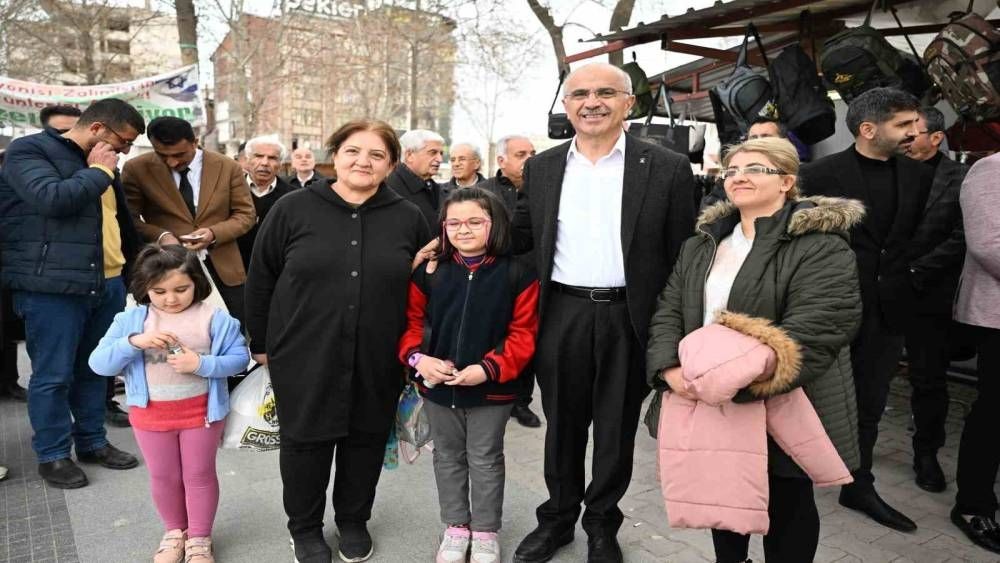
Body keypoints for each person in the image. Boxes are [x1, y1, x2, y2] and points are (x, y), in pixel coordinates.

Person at [510, 62, 695, 563]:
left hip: (628, 318)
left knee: (616, 431)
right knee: (562, 426)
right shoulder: (543, 168)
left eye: (605, 93)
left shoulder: (667, 168)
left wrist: (677, 335)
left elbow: (683, 257)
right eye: (579, 94)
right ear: (566, 106)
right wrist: (449, 245)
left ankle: (601, 526)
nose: (591, 102)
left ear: (628, 103)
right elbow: (522, 241)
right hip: (562, 314)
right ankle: (557, 520)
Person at [646, 137, 862, 563]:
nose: (739, 176)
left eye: (755, 168)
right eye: (731, 170)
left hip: (781, 398)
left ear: (787, 181)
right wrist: (669, 370)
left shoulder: (819, 243)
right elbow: (670, 309)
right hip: (702, 393)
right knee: (723, 501)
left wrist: (731, 381)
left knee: (788, 503)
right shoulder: (703, 243)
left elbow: (821, 324)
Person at [244, 120, 431, 563]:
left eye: (376, 155)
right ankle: (305, 528)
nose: (363, 161)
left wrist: (417, 347)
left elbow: (425, 286)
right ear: (336, 154)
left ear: (391, 165)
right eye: (353, 151)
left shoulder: (408, 216)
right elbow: (261, 278)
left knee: (365, 439)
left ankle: (353, 520)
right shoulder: (292, 208)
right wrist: (261, 342)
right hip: (303, 350)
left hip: (379, 353)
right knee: (304, 443)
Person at [800, 87, 933, 533]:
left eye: (915, 124)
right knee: (804, 399)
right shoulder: (818, 175)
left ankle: (858, 484)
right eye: (904, 124)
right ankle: (791, 482)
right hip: (828, 310)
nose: (915, 131)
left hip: (888, 311)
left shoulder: (917, 175)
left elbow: (913, 237)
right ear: (868, 129)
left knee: (870, 404)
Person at [0, 98, 145, 489]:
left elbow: (118, 222)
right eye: (124, 141)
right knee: (53, 375)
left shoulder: (106, 164)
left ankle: (93, 442)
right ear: (97, 128)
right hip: (52, 288)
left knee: (94, 371)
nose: (126, 150)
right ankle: (53, 454)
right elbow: (52, 199)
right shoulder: (29, 150)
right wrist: (99, 170)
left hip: (107, 282)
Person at [399, 187, 539, 563]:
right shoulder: (430, 272)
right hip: (437, 386)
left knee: (486, 458)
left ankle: (486, 530)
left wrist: (489, 368)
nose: (464, 230)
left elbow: (524, 333)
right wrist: (418, 360)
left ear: (495, 225)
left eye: (475, 222)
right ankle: (456, 527)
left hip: (492, 388)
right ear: (443, 228)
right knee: (446, 456)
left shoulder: (518, 274)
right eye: (454, 223)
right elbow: (411, 323)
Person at [89, 244, 248, 563]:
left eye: (181, 289)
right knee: (163, 476)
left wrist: (201, 364)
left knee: (199, 474)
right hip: (150, 416)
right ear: (144, 287)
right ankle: (175, 532)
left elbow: (239, 359)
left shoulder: (215, 318)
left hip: (202, 414)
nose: (171, 298)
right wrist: (133, 343)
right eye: (159, 290)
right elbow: (99, 364)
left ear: (197, 284)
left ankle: (200, 538)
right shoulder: (131, 320)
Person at [122, 116, 256, 327]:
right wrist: (162, 236)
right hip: (166, 269)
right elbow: (128, 219)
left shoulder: (227, 166)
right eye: (162, 155)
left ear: (195, 142)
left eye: (179, 155)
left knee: (233, 334)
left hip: (224, 270)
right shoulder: (136, 169)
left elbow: (245, 215)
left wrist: (213, 233)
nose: (172, 162)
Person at [902, 106, 968, 493]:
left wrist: (916, 271)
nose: (907, 140)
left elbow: (964, 236)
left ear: (937, 137)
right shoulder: (892, 173)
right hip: (887, 291)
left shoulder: (961, 178)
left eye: (914, 133)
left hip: (930, 296)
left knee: (929, 380)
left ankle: (926, 454)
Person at [949, 152, 1000, 554]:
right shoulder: (991, 169)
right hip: (996, 318)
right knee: (994, 412)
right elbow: (989, 245)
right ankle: (974, 505)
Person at [478, 135, 541, 428]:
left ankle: (521, 402)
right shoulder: (482, 193)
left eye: (532, 152)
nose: (529, 158)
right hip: (495, 283)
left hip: (535, 283)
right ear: (502, 161)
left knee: (528, 343)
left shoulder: (546, 191)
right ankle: (492, 393)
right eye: (521, 154)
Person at [236, 136, 294, 273]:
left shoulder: (293, 197)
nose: (265, 163)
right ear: (247, 160)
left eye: (272, 158)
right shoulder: (229, 192)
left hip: (277, 273)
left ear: (280, 164)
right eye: (258, 156)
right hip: (235, 273)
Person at [385, 129, 445, 230]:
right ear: (409, 155)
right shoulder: (389, 189)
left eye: (441, 153)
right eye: (433, 152)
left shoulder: (436, 188)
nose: (440, 159)